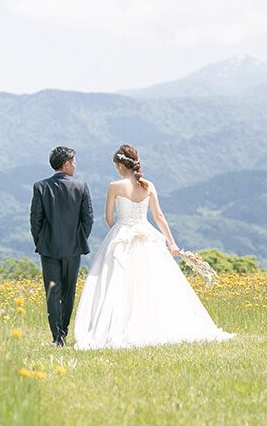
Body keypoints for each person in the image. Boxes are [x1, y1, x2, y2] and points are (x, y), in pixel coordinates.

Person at [71, 144, 233, 349]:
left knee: (117, 284)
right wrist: (171, 242)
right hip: (147, 235)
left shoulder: (114, 186)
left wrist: (118, 231)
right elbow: (158, 216)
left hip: (122, 235)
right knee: (153, 282)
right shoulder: (148, 185)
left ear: (120, 165)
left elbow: (108, 217)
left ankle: (120, 326)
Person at [30, 146, 94, 346]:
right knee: (68, 292)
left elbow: (35, 221)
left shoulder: (40, 187)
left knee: (52, 293)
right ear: (66, 164)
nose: (75, 165)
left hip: (48, 249)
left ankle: (57, 337)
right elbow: (88, 220)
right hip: (73, 249)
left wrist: (40, 241)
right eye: (73, 162)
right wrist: (79, 239)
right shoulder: (81, 187)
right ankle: (63, 332)